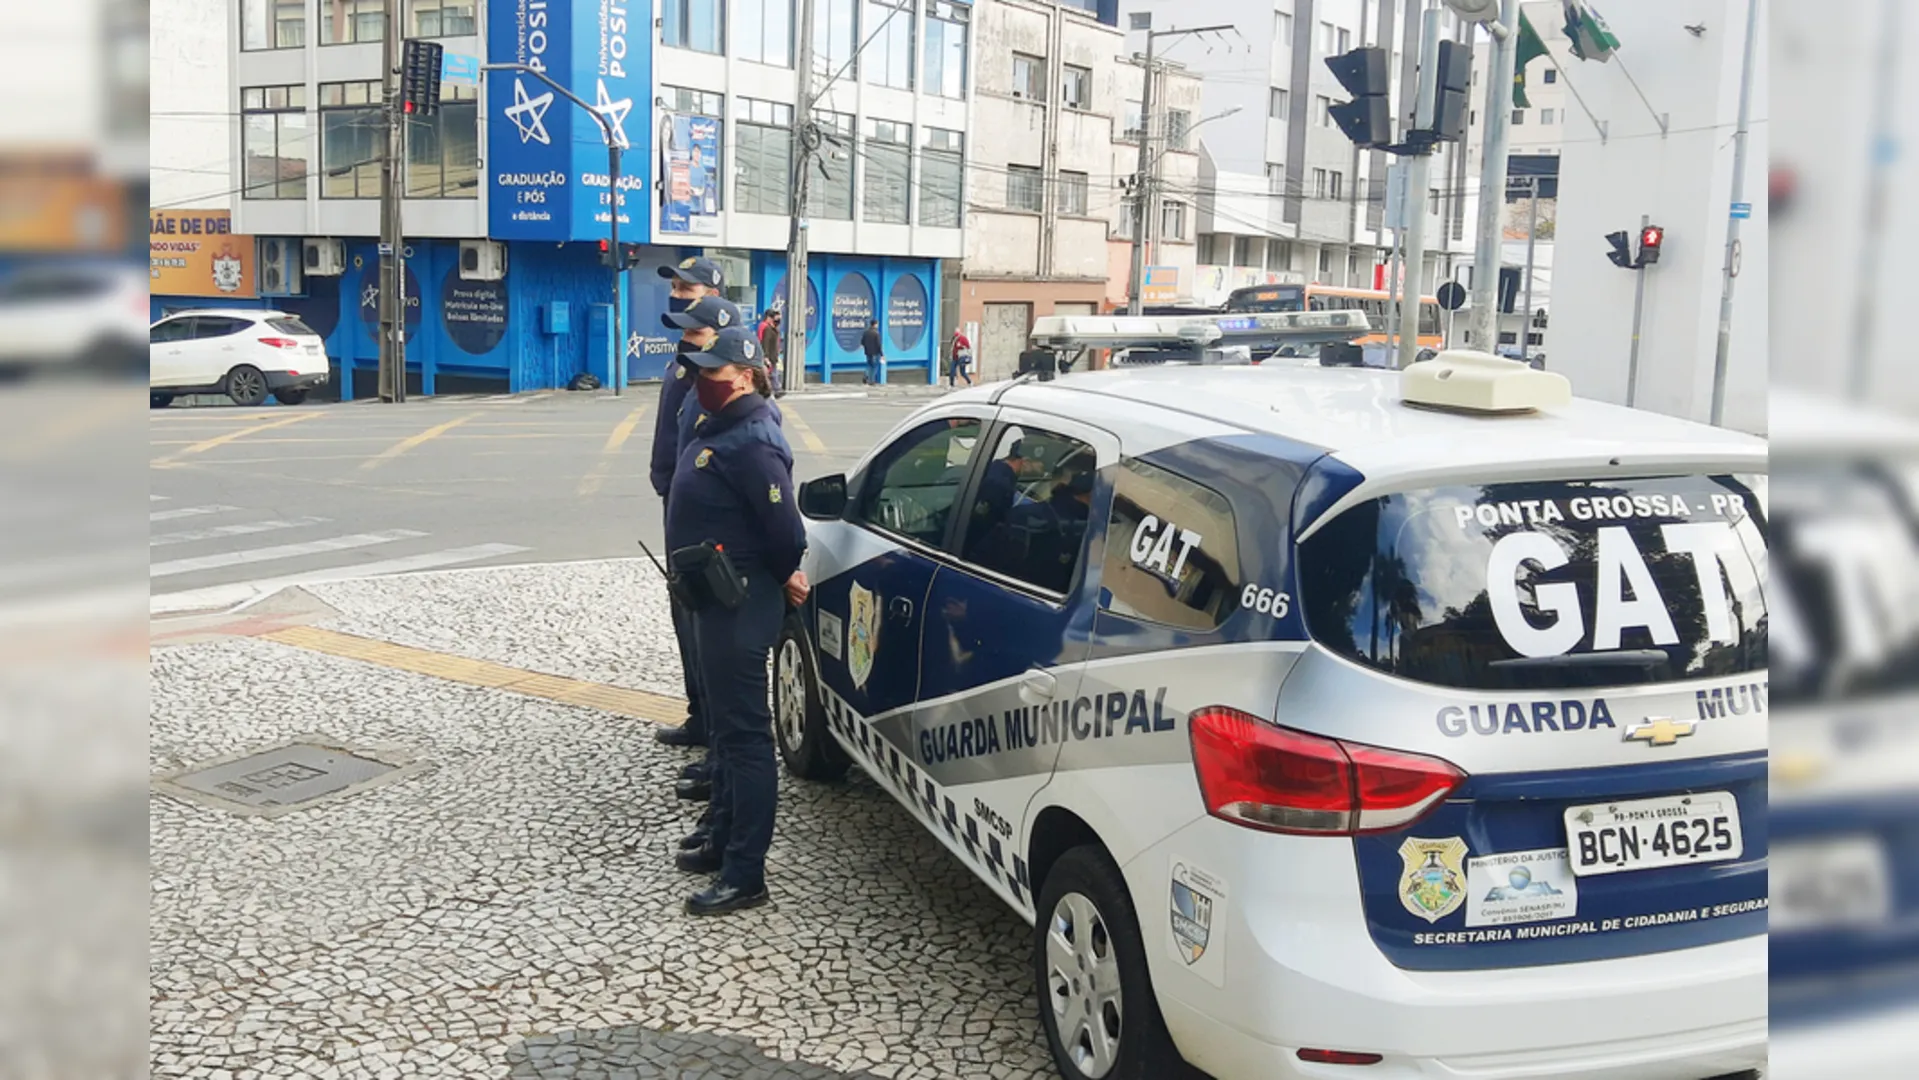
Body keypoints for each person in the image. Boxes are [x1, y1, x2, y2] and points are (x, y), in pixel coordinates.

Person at [666, 326, 809, 916]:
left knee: (747, 739)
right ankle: (723, 836)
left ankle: (746, 872)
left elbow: (787, 535)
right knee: (725, 731)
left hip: (739, 602)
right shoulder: (719, 426)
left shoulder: (753, 440)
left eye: (713, 374)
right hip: (712, 598)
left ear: (745, 377)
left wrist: (780, 575)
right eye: (698, 372)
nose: (702, 381)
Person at [648, 258, 728, 757]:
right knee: (683, 614)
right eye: (674, 287)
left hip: (702, 510)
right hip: (676, 500)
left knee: (707, 624)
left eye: (686, 287)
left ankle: (719, 732)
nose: (677, 294)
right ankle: (700, 714)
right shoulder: (684, 349)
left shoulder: (723, 354)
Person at [758, 309, 784, 396]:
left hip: (772, 355)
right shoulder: (766, 327)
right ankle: (775, 390)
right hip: (769, 355)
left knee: (772, 373)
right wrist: (765, 356)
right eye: (773, 318)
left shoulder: (771, 327)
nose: (775, 320)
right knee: (771, 373)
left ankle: (774, 390)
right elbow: (764, 342)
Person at [860, 318, 884, 385]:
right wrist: (882, 354)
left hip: (867, 352)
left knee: (868, 365)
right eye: (877, 324)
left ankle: (866, 375)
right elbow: (878, 344)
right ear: (875, 324)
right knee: (874, 366)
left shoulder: (866, 332)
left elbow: (862, 342)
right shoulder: (876, 333)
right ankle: (872, 380)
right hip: (875, 352)